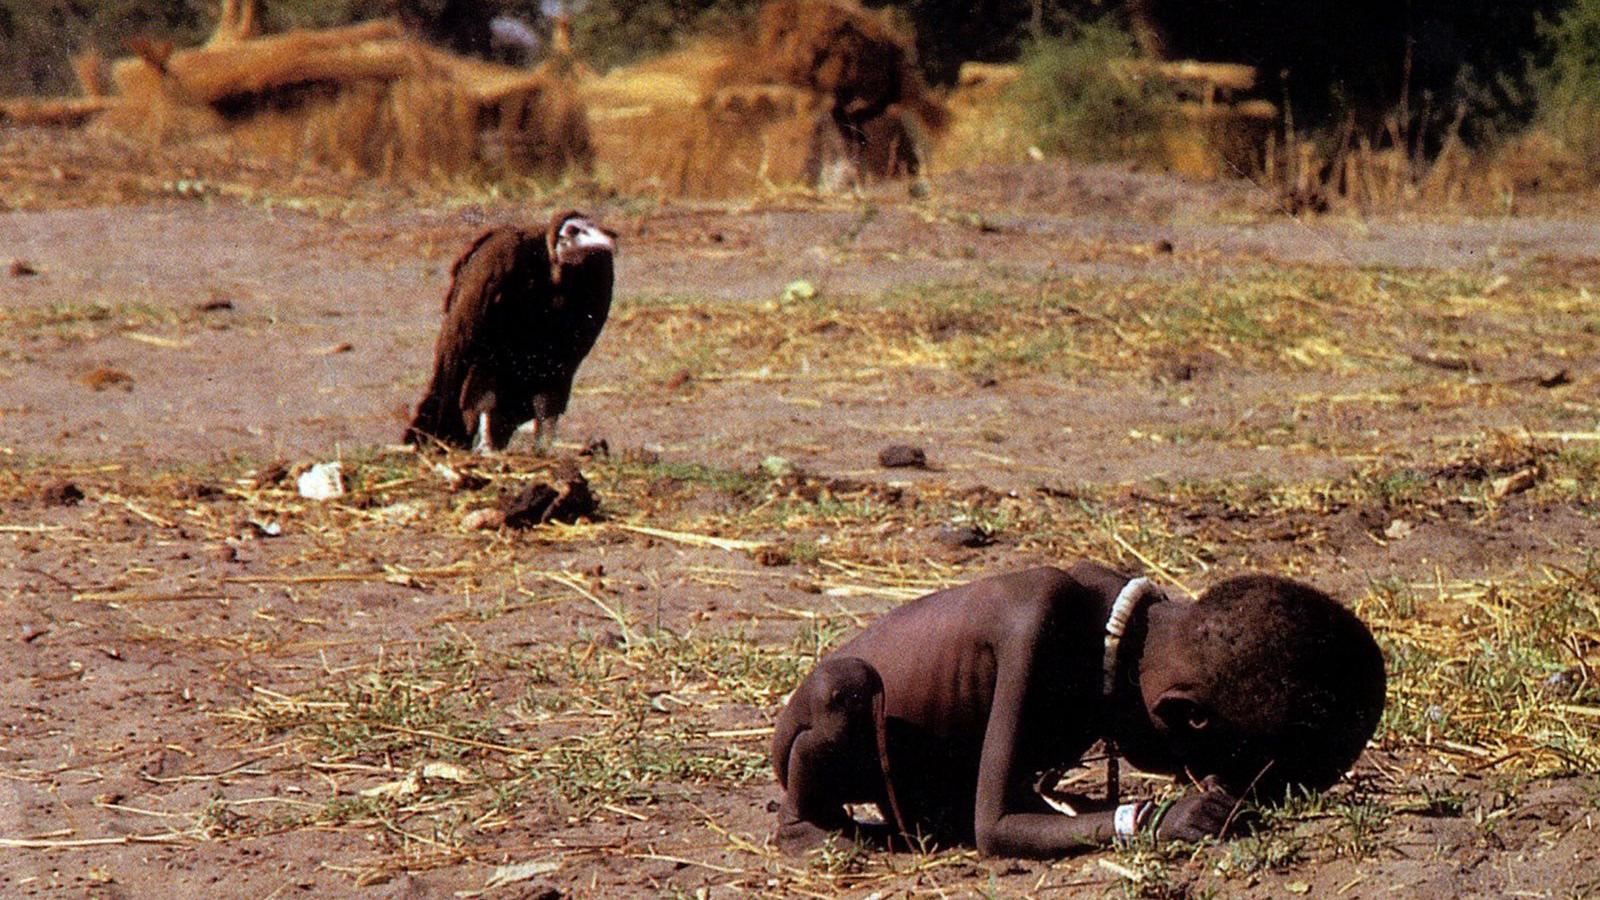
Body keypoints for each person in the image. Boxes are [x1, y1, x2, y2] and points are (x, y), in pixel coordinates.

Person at [770, 563, 1386, 857]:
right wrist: (1143, 821)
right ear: (1182, 717)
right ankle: (806, 822)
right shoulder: (1043, 622)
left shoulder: (1136, 636)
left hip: (936, 773)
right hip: (839, 736)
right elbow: (995, 829)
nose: (1198, 784)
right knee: (838, 695)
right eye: (1201, 769)